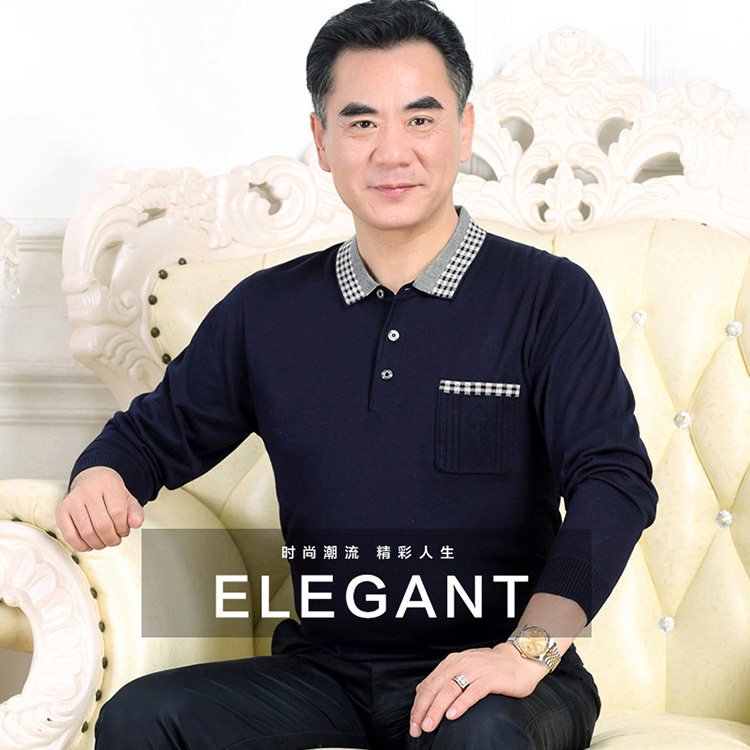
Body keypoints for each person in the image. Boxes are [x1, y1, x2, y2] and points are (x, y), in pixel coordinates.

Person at [57, 1, 658, 748]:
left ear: (464, 130)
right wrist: (103, 476)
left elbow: (614, 481)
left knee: (483, 736)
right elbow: (149, 439)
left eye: (421, 119)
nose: (392, 152)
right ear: (322, 140)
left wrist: (526, 653)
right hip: (323, 675)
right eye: (362, 122)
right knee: (141, 718)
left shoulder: (548, 297)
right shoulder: (266, 311)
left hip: (500, 675)